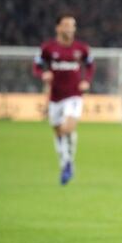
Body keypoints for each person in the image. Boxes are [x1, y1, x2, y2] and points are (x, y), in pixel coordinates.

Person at [33, 14, 94, 185]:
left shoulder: (81, 49)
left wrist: (86, 81)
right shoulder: (48, 48)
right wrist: (42, 74)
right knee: (59, 132)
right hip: (55, 98)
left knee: (68, 128)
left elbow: (90, 65)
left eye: (72, 25)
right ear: (58, 28)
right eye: (66, 25)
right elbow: (36, 65)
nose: (69, 29)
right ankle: (66, 163)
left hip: (74, 95)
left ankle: (67, 164)